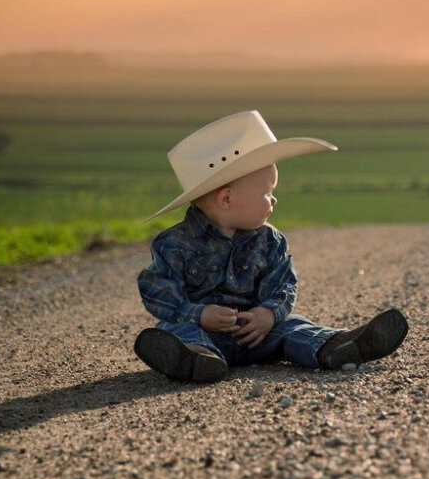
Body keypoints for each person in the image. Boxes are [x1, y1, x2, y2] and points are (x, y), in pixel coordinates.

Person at [133, 110, 409, 382]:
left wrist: (267, 314)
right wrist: (198, 314)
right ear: (227, 199)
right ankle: (195, 358)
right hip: (200, 330)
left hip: (259, 335)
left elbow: (283, 285)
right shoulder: (173, 244)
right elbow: (157, 289)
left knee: (292, 326)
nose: (274, 200)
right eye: (267, 192)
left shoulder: (270, 241)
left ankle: (336, 346)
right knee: (175, 328)